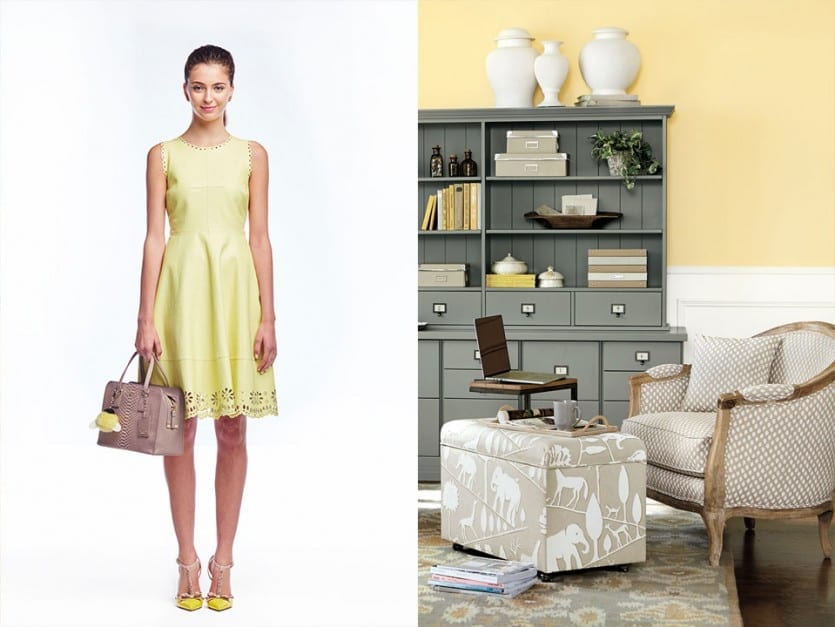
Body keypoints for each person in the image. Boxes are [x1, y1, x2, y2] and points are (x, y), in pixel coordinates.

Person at [134, 44, 277, 612]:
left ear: (233, 89)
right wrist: (144, 315)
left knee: (234, 429)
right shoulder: (162, 155)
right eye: (199, 87)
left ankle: (224, 562)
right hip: (180, 297)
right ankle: (186, 561)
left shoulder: (252, 154)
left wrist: (269, 314)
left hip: (237, 297)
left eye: (218, 87)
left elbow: (260, 237)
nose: (209, 97)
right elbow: (154, 238)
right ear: (185, 89)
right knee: (180, 431)